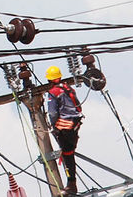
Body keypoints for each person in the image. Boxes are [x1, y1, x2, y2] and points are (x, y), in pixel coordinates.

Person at [45, 65, 82, 195]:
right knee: (69, 154)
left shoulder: (53, 92)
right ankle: (71, 183)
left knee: (67, 156)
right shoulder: (68, 88)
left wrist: (53, 126)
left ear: (49, 80)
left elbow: (53, 113)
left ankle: (71, 184)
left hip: (65, 127)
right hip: (75, 124)